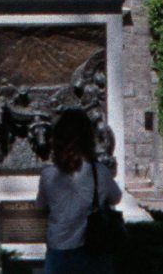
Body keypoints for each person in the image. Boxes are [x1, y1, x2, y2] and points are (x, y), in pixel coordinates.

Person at [36, 107, 121, 274]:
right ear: (88, 139)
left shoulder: (48, 175)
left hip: (59, 251)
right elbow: (116, 197)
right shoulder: (100, 172)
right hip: (93, 252)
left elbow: (40, 205)